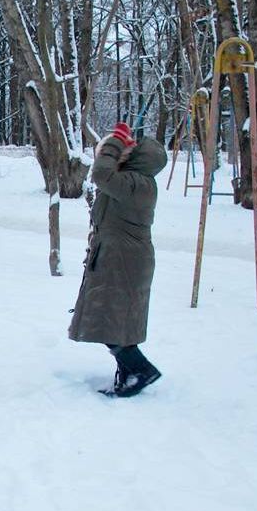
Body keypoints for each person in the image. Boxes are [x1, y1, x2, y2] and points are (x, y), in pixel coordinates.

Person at [68, 121, 166, 398]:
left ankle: (142, 371)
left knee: (108, 321)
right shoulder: (135, 181)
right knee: (118, 321)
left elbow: (100, 174)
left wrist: (116, 142)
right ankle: (126, 377)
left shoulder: (137, 184)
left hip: (123, 262)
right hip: (120, 258)